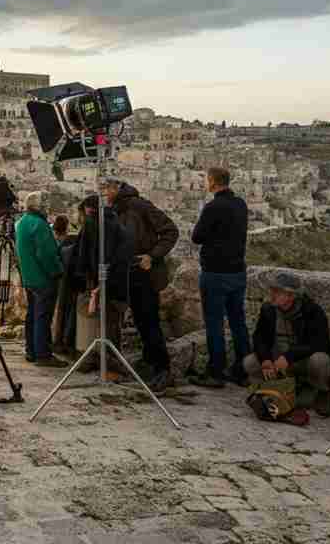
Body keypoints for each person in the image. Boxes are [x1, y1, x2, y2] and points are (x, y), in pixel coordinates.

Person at [101, 179, 180, 388]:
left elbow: (170, 230)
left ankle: (162, 370)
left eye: (107, 189)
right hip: (127, 272)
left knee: (149, 322)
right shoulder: (115, 210)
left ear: (116, 189)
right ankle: (148, 363)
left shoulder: (139, 205)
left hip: (145, 272)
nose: (104, 193)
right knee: (141, 320)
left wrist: (151, 256)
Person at [245, 272, 330, 416]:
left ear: (291, 296)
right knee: (250, 362)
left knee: (320, 360)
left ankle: (321, 392)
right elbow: (259, 337)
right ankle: (272, 390)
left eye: (277, 291)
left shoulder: (312, 311)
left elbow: (320, 343)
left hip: (302, 360)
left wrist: (289, 357)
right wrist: (265, 359)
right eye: (272, 290)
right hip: (277, 361)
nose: (272, 294)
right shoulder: (268, 309)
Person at [189, 166, 251, 388]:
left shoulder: (213, 207)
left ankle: (216, 372)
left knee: (214, 324)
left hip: (215, 273)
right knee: (238, 322)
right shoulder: (240, 204)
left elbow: (197, 237)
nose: (206, 183)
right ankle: (243, 371)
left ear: (213, 182)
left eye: (207, 180)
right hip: (238, 272)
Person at [70, 196, 134, 376]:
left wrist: (85, 280)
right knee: (111, 322)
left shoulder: (92, 224)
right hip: (116, 280)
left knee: (92, 320)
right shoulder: (118, 223)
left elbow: (82, 255)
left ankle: (93, 359)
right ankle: (111, 359)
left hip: (97, 279)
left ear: (89, 210)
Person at [13, 192, 65, 367]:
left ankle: (31, 351)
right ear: (39, 206)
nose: (48, 207)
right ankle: (43, 354)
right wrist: (57, 271)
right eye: (46, 203)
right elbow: (46, 254)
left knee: (32, 315)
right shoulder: (39, 224)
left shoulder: (22, 223)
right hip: (43, 278)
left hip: (29, 277)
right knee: (43, 317)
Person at [50, 215, 78, 357]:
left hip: (60, 279)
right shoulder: (72, 241)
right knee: (67, 311)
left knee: (60, 311)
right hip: (69, 279)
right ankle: (65, 342)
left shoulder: (52, 240)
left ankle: (58, 341)